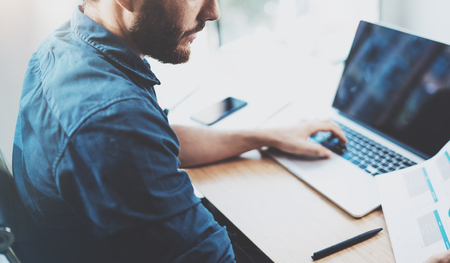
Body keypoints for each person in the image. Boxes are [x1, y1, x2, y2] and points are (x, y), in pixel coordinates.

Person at [10, 0, 448, 262]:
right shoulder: (110, 119)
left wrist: (265, 136)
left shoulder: (66, 47)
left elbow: (156, 136)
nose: (215, 11)